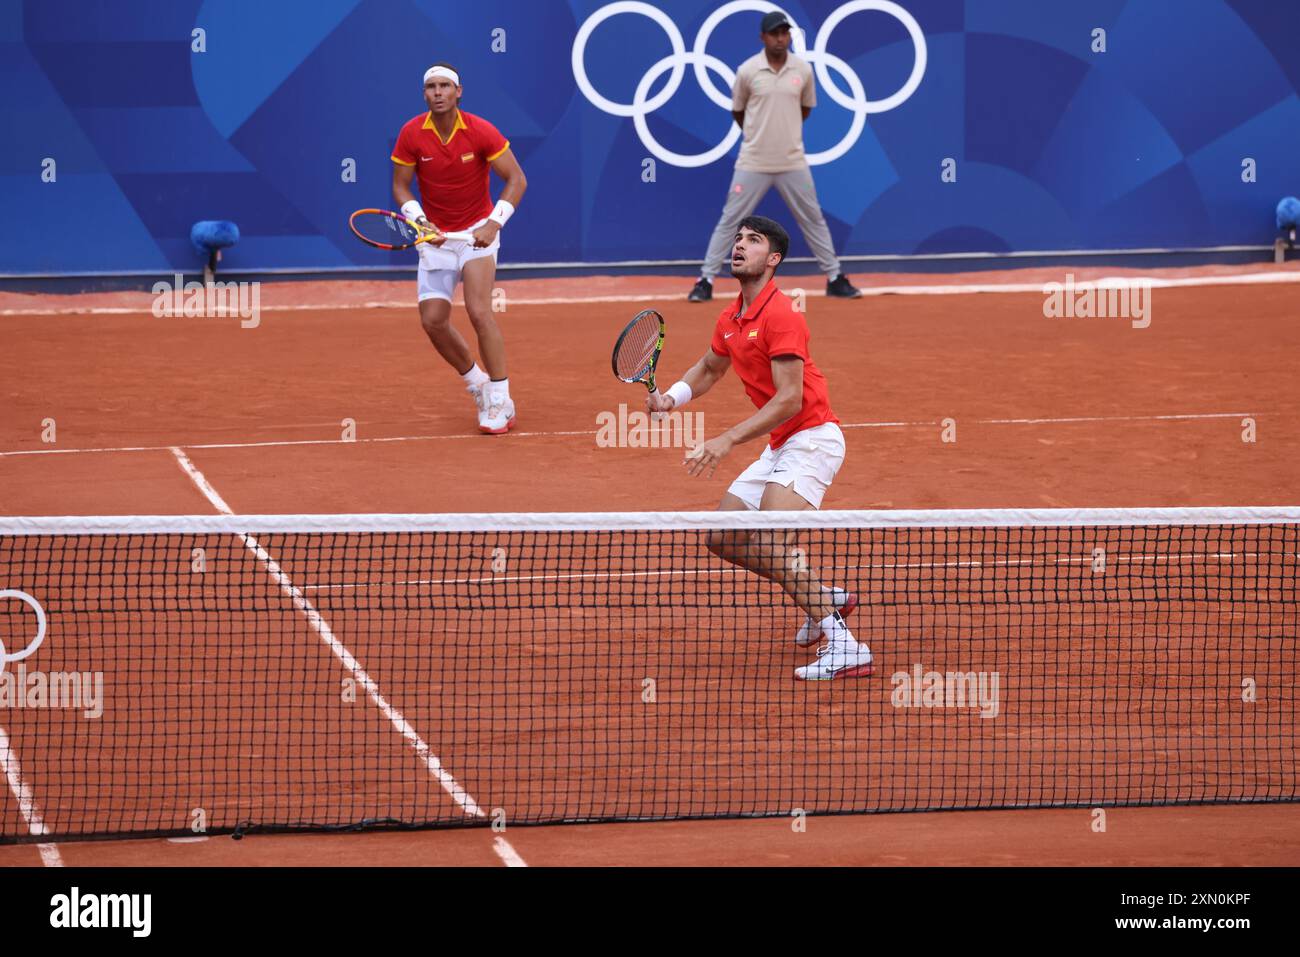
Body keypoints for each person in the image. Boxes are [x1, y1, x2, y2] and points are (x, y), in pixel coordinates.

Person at [651, 215, 871, 680]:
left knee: (772, 542)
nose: (739, 246)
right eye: (737, 238)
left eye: (753, 241)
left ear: (772, 260)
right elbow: (710, 369)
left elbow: (790, 398)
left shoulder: (782, 313)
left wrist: (728, 438)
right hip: (781, 443)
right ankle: (823, 596)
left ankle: (847, 646)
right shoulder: (731, 317)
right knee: (723, 537)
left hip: (812, 438)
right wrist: (672, 397)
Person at [688, 11, 861, 304]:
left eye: (785, 33)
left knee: (813, 218)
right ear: (763, 37)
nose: (781, 38)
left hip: (792, 161)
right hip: (752, 161)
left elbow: (805, 109)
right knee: (730, 221)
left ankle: (834, 277)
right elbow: (738, 111)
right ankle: (705, 280)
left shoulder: (803, 70)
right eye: (774, 33)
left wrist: (783, 135)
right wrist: (760, 136)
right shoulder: (748, 70)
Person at [391, 63, 528, 434]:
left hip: (475, 236)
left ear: (458, 91)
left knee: (479, 311)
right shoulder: (411, 134)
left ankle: (500, 397)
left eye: (444, 86)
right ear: (424, 94)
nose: (437, 93)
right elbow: (402, 186)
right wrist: (420, 222)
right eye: (431, 87)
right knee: (433, 321)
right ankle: (477, 383)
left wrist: (493, 223)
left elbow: (516, 178)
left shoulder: (481, 130)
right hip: (435, 237)